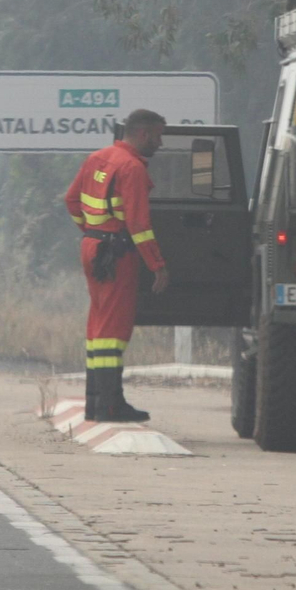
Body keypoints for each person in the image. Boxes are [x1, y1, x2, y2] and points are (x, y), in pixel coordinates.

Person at [64, 108, 170, 422]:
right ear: (144, 134)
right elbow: (139, 224)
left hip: (93, 247)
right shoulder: (132, 168)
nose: (160, 143)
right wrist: (158, 265)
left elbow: (72, 200)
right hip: (117, 254)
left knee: (98, 326)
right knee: (114, 329)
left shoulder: (98, 157)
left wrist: (91, 231)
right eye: (159, 136)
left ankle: (96, 403)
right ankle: (111, 406)